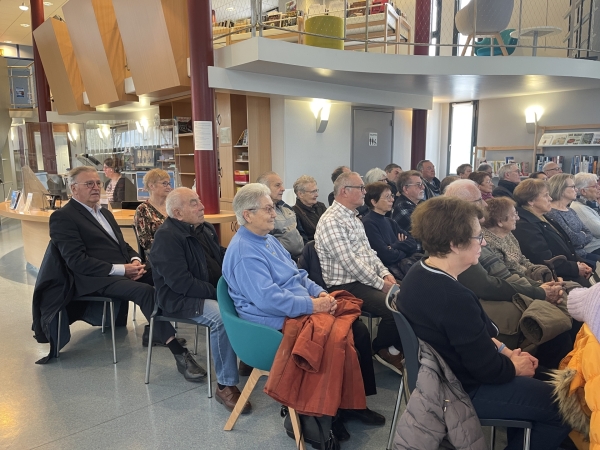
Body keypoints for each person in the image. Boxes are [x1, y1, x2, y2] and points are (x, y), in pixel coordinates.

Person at [397, 196, 571, 450]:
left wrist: (508, 352)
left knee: (547, 377)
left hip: (445, 377)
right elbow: (486, 370)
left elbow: (474, 342)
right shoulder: (452, 296)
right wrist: (514, 366)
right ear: (455, 244)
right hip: (460, 389)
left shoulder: (421, 272)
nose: (484, 242)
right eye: (478, 237)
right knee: (563, 406)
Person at [222, 183, 386, 441]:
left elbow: (298, 275)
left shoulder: (267, 240)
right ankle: (328, 414)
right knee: (335, 341)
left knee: (358, 331)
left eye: (273, 208)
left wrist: (320, 293)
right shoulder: (245, 251)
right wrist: (313, 305)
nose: (274, 213)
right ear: (248, 215)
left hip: (299, 307)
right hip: (270, 322)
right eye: (268, 209)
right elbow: (268, 300)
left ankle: (352, 404)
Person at [49, 167, 202, 382]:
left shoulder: (104, 212)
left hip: (120, 271)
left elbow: (123, 246)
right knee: (147, 292)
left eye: (97, 183)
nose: (96, 187)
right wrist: (122, 269)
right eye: (89, 184)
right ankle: (179, 354)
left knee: (164, 273)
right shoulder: (63, 217)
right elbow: (76, 262)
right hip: (94, 279)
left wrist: (135, 261)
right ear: (74, 189)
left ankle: (161, 328)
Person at [150, 187, 251, 414]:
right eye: (194, 203)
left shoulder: (204, 228)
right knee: (221, 318)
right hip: (179, 300)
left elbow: (220, 257)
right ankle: (225, 386)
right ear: (177, 213)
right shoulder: (166, 237)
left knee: (252, 299)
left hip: (205, 291)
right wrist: (221, 293)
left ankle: (247, 356)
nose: (202, 206)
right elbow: (181, 284)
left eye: (199, 200)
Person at [314, 171, 404, 373]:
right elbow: (349, 262)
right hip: (344, 285)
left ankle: (393, 347)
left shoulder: (353, 218)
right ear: (345, 191)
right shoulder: (332, 221)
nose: (365, 192)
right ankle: (383, 349)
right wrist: (381, 285)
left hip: (363, 279)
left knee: (410, 295)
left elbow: (369, 253)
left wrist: (383, 273)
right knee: (396, 305)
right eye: (361, 188)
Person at [512, 179, 592, 284]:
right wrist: (575, 268)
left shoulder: (543, 217)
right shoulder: (525, 226)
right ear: (531, 201)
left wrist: (581, 263)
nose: (550, 198)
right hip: (558, 278)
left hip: (569, 270)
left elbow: (567, 248)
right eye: (545, 195)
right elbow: (542, 259)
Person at [362, 182, 419, 280]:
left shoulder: (390, 221)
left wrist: (394, 245)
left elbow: (413, 244)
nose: (392, 200)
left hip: (401, 266)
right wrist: (403, 247)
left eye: (392, 196)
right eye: (387, 197)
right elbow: (386, 255)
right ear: (374, 202)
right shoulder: (368, 223)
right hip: (388, 272)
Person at [546, 174, 600, 264]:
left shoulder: (570, 210)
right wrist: (582, 235)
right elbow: (572, 239)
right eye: (572, 187)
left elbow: (588, 233)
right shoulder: (552, 213)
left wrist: (581, 236)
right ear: (561, 189)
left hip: (582, 253)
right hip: (573, 258)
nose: (576, 190)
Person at [256, 171, 304, 259]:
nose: (283, 189)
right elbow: (265, 246)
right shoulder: (260, 215)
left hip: (301, 257)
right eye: (277, 185)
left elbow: (300, 232)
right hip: (282, 260)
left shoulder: (287, 207)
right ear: (264, 189)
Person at [134, 169, 172, 255]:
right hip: (158, 255)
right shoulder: (143, 209)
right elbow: (145, 242)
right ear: (151, 186)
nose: (169, 187)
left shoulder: (173, 207)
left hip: (178, 251)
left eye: (169, 183)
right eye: (164, 183)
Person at [291, 175, 326, 243]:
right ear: (300, 194)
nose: (316, 195)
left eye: (316, 191)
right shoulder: (294, 213)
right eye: (312, 192)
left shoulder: (321, 206)